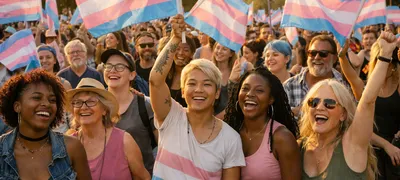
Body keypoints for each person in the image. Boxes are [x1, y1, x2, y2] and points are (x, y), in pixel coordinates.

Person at [149, 14, 245, 179]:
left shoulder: (231, 139)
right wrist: (175, 39)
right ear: (183, 90)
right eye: (192, 84)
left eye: (207, 84)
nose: (199, 89)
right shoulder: (171, 116)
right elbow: (155, 80)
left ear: (217, 93)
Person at [0, 69, 91, 179]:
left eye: (52, 100)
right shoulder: (1, 148)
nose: (46, 104)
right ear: (17, 106)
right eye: (36, 97)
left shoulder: (72, 148)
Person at [339, 32, 400, 180]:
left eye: (388, 62)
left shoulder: (398, 84)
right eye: (379, 61)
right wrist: (342, 56)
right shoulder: (366, 90)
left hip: (397, 151)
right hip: (371, 151)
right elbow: (351, 75)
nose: (384, 65)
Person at [225, 66, 301, 179]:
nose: (250, 94)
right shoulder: (230, 131)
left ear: (271, 99)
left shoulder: (282, 138)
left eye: (259, 90)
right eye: (245, 88)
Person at [67, 78, 150, 180]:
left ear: (104, 110)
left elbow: (143, 178)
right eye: (78, 102)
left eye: (91, 101)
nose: (83, 107)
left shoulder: (124, 141)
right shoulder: (68, 145)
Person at [101, 49, 155, 174]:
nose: (112, 70)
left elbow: (162, 147)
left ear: (132, 75)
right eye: (108, 66)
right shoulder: (94, 105)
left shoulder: (146, 105)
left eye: (119, 67)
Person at [283, 35, 347, 117]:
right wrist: (292, 112)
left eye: (323, 54)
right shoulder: (289, 86)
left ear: (334, 58)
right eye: (312, 53)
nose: (317, 57)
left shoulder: (344, 86)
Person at [166, 37, 196, 107]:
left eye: (186, 50)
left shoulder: (196, 75)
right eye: (177, 49)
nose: (180, 53)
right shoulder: (165, 74)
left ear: (192, 53)